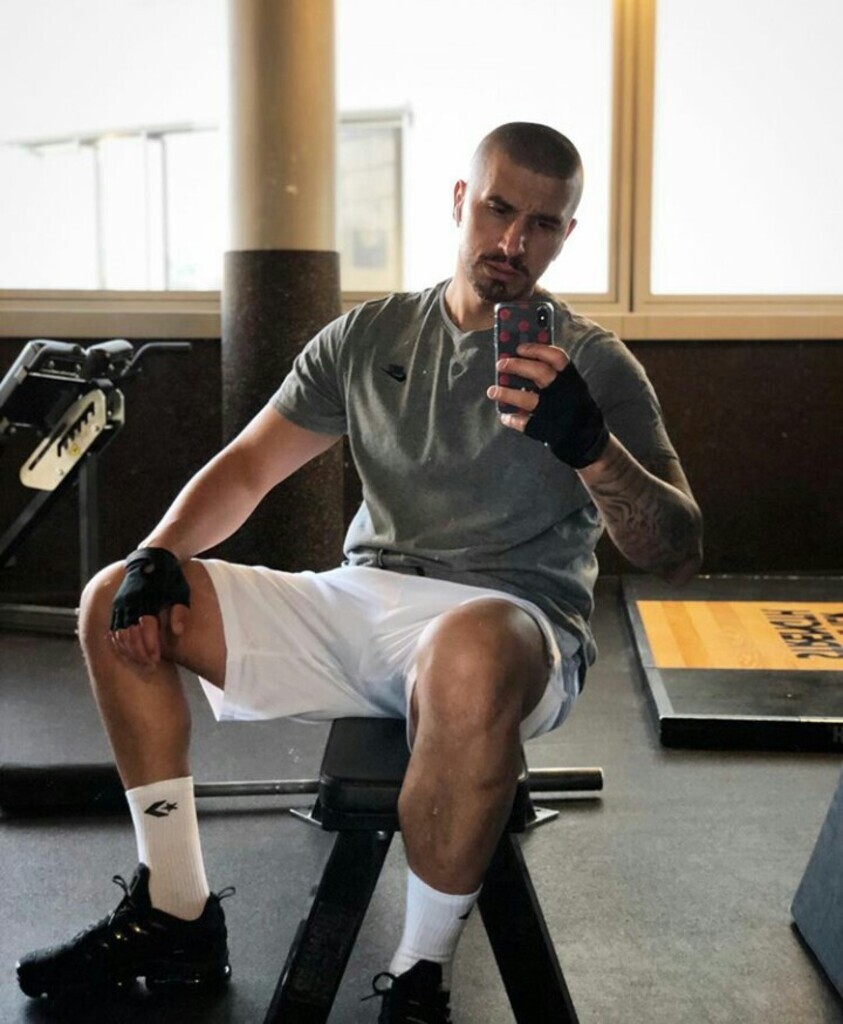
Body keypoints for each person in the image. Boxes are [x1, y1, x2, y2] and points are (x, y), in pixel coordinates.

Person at [16, 122, 702, 1023]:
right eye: (497, 208)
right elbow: (249, 466)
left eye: (541, 223)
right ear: (459, 201)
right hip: (362, 599)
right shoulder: (370, 334)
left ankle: (417, 978)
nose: (511, 240)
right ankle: (174, 907)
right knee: (115, 597)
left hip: (509, 626)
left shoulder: (596, 366)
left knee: (466, 651)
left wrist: (592, 447)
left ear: (565, 235)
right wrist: (158, 553)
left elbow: (676, 549)